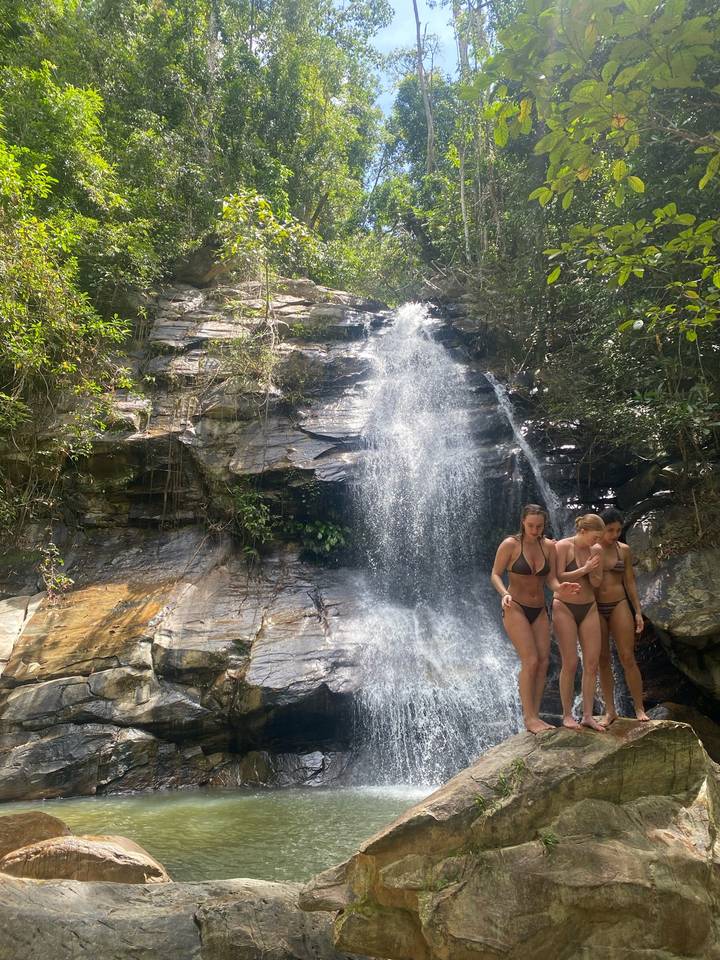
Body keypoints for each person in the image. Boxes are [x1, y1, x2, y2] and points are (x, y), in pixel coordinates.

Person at [491, 504, 581, 734]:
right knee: (530, 660)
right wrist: (505, 594)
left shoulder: (549, 546)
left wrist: (561, 589)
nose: (535, 530)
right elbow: (495, 574)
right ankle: (528, 717)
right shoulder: (510, 544)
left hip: (539, 608)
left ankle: (536, 715)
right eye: (531, 525)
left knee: (543, 662)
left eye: (539, 526)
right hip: (515, 606)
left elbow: (550, 580)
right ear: (523, 522)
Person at [554, 513, 607, 732]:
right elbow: (558, 577)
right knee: (570, 662)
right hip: (564, 606)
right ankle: (567, 715)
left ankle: (587, 715)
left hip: (589, 606)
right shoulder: (562, 546)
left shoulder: (597, 551)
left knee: (592, 663)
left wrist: (593, 571)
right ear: (582, 531)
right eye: (595, 537)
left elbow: (596, 582)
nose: (597, 542)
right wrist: (584, 569)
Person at [595, 507, 649, 724]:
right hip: (595, 607)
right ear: (600, 529)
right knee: (602, 659)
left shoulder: (623, 550)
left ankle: (639, 708)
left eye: (618, 530)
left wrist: (638, 611)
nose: (614, 534)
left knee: (627, 656)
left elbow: (630, 582)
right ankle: (610, 711)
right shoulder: (590, 549)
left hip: (619, 604)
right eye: (610, 530)